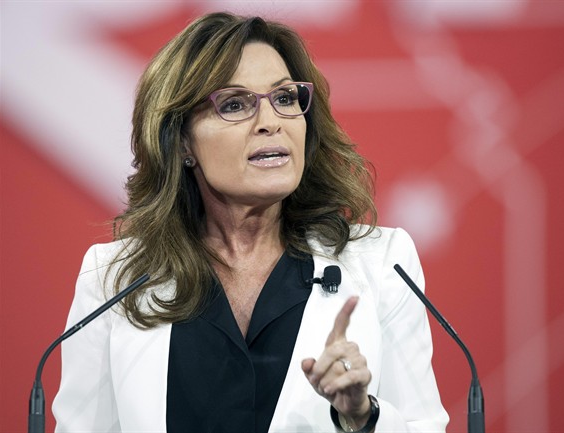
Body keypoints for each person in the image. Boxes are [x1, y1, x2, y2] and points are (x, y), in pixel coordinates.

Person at [52, 11, 449, 433]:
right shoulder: (115, 279)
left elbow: (423, 425)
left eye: (285, 98)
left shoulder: (382, 265)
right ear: (183, 141)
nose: (271, 122)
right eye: (235, 104)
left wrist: (363, 417)